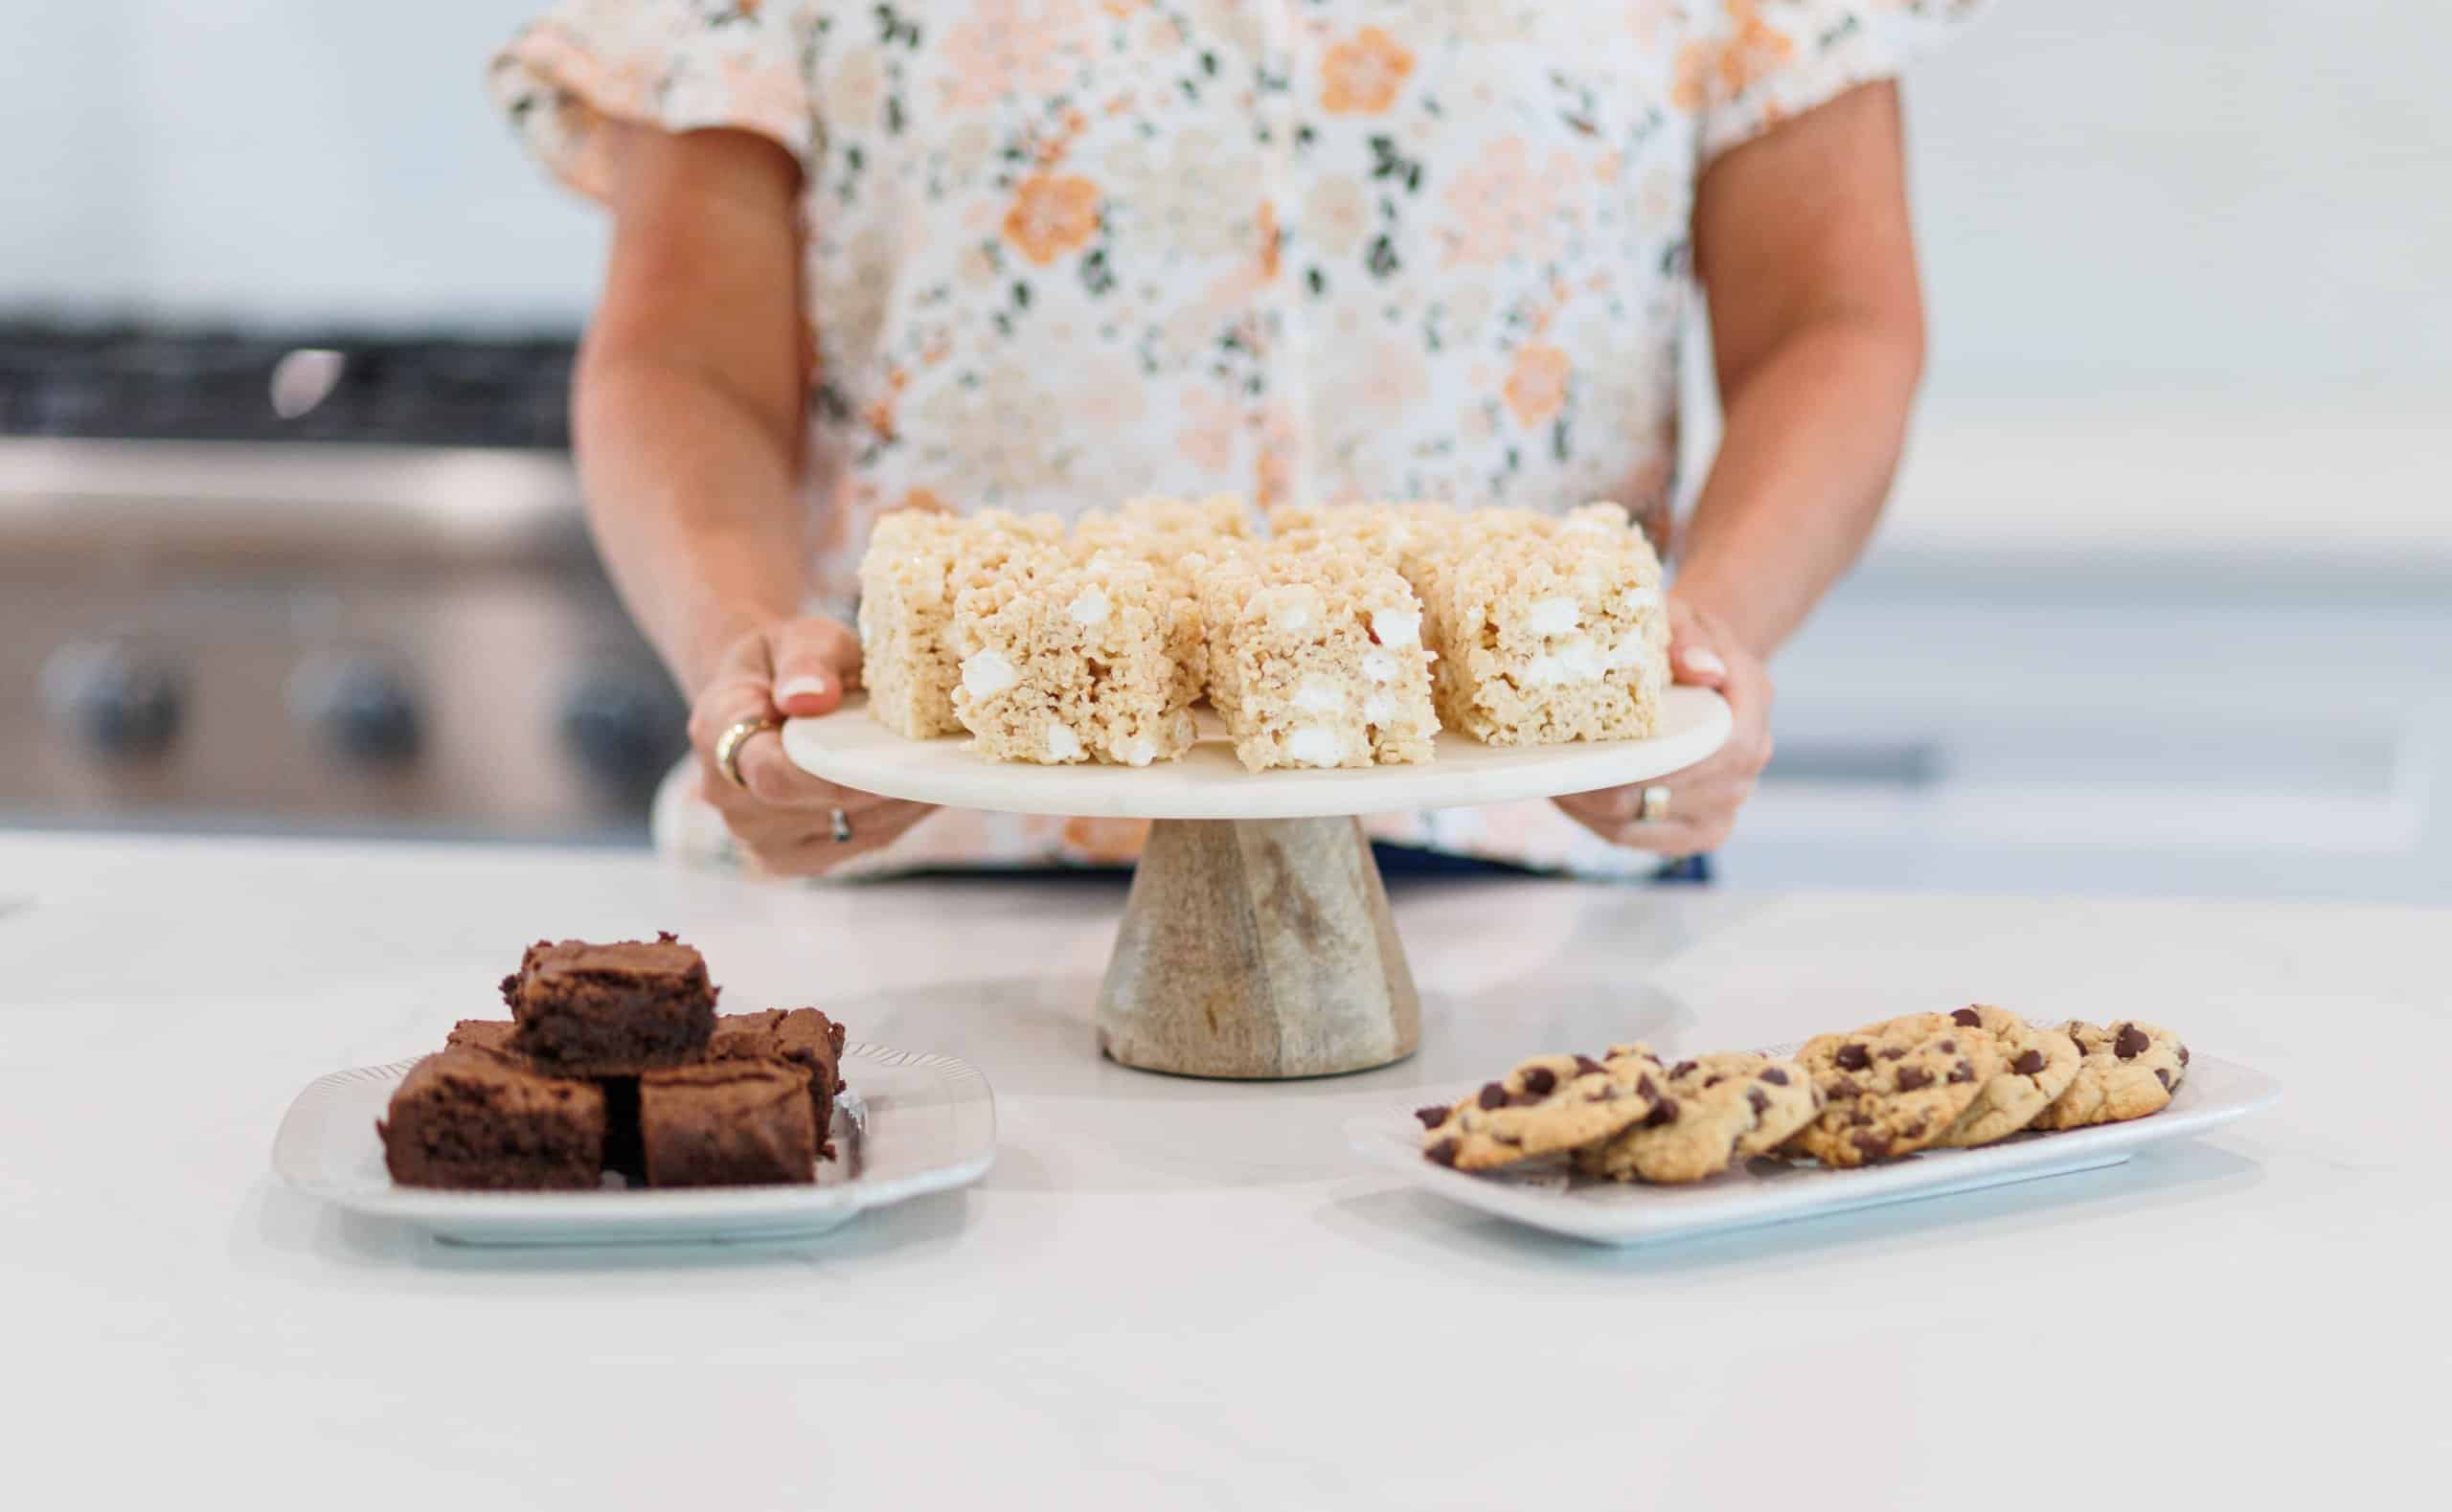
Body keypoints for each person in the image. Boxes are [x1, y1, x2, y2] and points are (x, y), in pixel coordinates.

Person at [488, 0, 1974, 878]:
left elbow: (1831, 328)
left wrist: (1705, 649)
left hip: (1529, 881)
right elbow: (685, 358)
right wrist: (746, 639)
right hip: (915, 861)